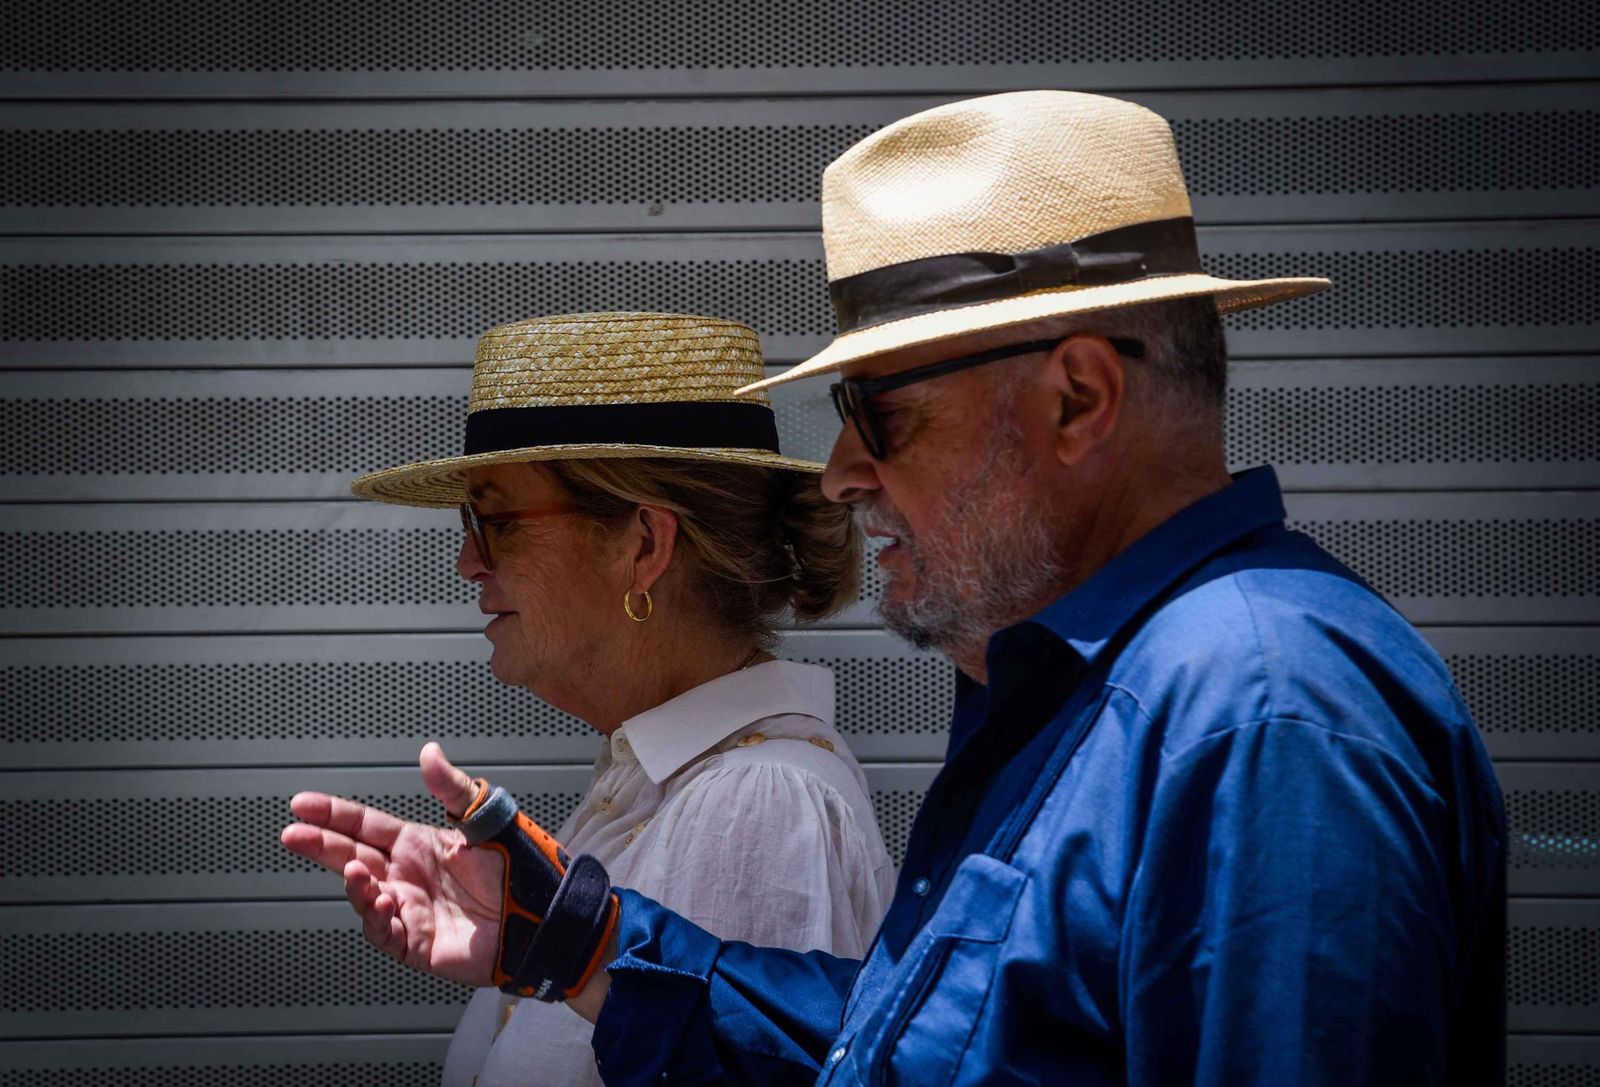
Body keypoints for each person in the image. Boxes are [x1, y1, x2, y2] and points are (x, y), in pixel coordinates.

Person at [286, 92, 1506, 1085]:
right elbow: (918, 1052)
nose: (841, 473)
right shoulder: (1110, 690)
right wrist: (587, 942)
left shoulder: (1258, 714)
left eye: (879, 416)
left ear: (1078, 397)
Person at [281, 311, 894, 1087]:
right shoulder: (658, 778)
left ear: (643, 544)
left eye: (496, 521)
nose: (469, 560)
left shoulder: (754, 803)